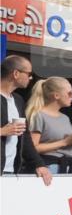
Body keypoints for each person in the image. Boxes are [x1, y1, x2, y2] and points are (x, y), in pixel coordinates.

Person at [0, 56, 51, 185]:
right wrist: (2, 131)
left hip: (11, 171)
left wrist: (39, 164)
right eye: (29, 74)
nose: (31, 78)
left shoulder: (18, 100)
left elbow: (25, 137)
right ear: (16, 73)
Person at [26, 77, 72, 174]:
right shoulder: (38, 115)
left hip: (67, 166)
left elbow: (66, 143)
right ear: (56, 95)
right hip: (49, 167)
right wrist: (65, 142)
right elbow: (32, 148)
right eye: (70, 93)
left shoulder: (65, 118)